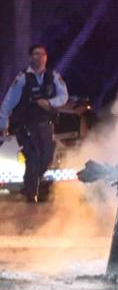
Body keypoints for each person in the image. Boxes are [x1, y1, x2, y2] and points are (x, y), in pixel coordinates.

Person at [0, 44, 68, 203]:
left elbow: (63, 96)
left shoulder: (53, 76)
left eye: (41, 54)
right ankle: (30, 194)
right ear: (31, 57)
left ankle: (29, 185)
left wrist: (49, 103)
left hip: (45, 124)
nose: (38, 57)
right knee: (34, 156)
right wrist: (3, 124)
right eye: (35, 54)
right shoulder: (23, 78)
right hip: (26, 125)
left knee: (46, 157)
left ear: (46, 57)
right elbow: (8, 102)